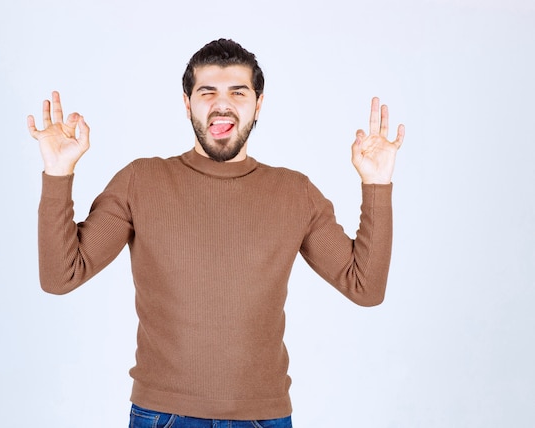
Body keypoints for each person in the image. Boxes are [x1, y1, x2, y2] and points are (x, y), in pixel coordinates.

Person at [27, 38, 404, 428]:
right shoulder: (141, 181)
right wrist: (58, 174)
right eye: (207, 92)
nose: (222, 104)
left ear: (258, 105)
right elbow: (60, 277)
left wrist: (376, 185)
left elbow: (365, 288)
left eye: (238, 92)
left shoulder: (295, 192)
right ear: (187, 104)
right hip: (163, 416)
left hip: (263, 418)